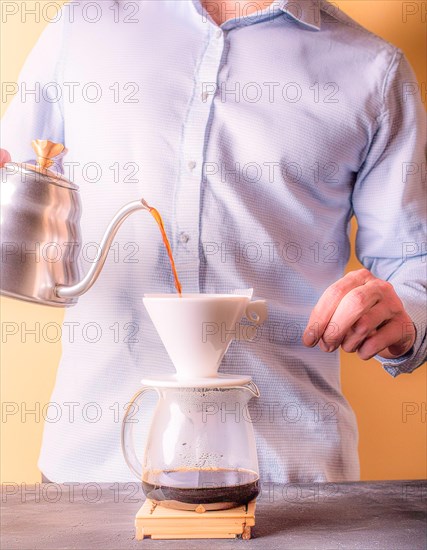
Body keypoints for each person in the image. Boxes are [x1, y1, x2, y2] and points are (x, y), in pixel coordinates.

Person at [2, 0, 426, 484]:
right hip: (92, 472)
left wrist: (403, 317)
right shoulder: (82, 26)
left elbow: (415, 269)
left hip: (292, 484)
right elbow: (15, 204)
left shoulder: (374, 69)